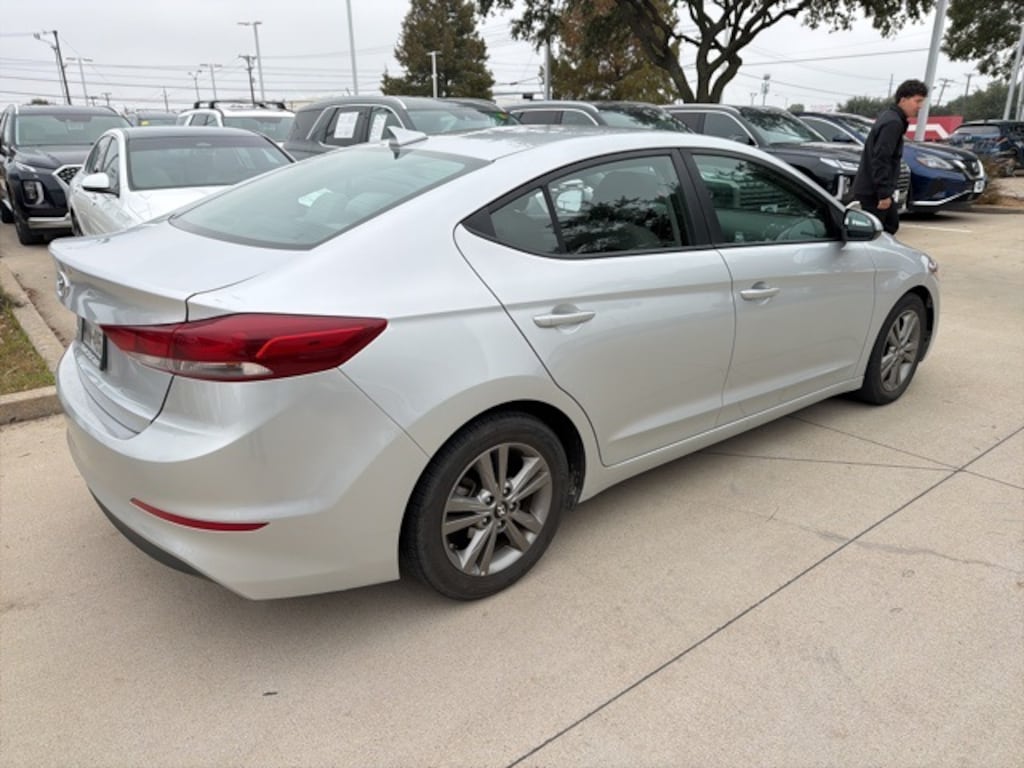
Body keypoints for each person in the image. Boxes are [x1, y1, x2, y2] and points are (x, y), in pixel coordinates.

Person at [852, 79, 929, 235]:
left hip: (873, 189)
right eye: (917, 101)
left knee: (888, 227)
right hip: (873, 191)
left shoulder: (891, 118)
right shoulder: (892, 123)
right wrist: (884, 194)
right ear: (903, 99)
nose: (920, 107)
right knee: (879, 233)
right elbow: (881, 158)